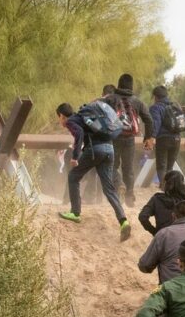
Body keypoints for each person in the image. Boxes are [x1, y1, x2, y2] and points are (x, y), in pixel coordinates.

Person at [56, 102, 132, 241]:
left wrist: (74, 157)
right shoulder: (86, 117)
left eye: (59, 118)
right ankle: (123, 221)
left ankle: (75, 213)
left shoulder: (71, 121)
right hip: (109, 149)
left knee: (73, 177)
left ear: (62, 116)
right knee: (108, 188)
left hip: (95, 150)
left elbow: (79, 134)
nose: (60, 121)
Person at [103, 74, 155, 206]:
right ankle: (130, 195)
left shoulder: (110, 99)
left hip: (113, 138)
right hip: (129, 139)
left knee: (112, 166)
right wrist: (148, 137)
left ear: (119, 84)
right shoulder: (137, 101)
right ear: (131, 86)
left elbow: (98, 112)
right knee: (128, 168)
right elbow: (148, 119)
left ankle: (119, 184)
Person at [150, 86, 185, 187]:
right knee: (169, 167)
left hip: (163, 139)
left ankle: (164, 188)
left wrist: (152, 137)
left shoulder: (156, 107)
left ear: (155, 97)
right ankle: (169, 188)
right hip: (176, 140)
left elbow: (156, 123)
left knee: (161, 167)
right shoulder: (175, 107)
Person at [138, 170, 185, 235]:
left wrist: (155, 232)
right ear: (182, 183)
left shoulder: (157, 199)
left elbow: (142, 217)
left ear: (166, 183)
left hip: (164, 237)